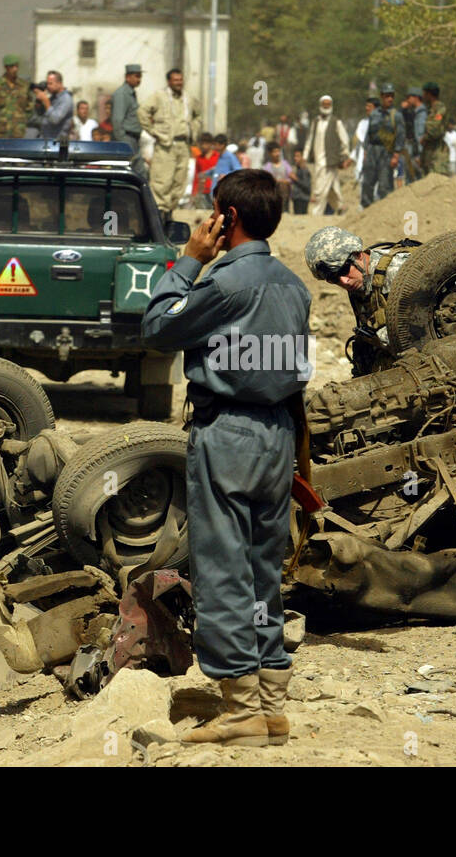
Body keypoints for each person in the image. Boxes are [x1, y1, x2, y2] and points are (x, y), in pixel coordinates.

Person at [141, 169, 310, 747]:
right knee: (265, 572)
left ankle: (239, 710)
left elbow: (158, 327)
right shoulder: (295, 286)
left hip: (229, 435)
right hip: (279, 437)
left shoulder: (226, 284)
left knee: (222, 571)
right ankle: (271, 706)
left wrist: (187, 260)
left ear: (226, 219)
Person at [304, 225, 417, 376]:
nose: (343, 281)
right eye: (333, 278)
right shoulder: (359, 285)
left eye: (344, 270)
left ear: (357, 254)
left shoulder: (398, 271)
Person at [138, 68, 200, 222]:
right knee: (161, 181)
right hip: (165, 146)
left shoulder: (188, 98)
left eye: (180, 80)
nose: (179, 83)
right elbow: (142, 112)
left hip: (183, 145)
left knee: (179, 182)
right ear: (169, 81)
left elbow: (198, 115)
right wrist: (154, 132)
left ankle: (169, 213)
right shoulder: (159, 96)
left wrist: (194, 130)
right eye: (175, 80)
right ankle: (159, 216)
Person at [302, 94, 350, 215]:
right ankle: (340, 207)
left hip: (330, 160)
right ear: (320, 106)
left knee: (320, 187)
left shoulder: (336, 122)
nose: (326, 106)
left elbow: (345, 140)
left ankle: (316, 212)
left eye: (328, 104)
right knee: (332, 187)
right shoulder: (316, 121)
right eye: (324, 104)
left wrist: (344, 157)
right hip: (318, 160)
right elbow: (309, 140)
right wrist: (304, 156)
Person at [361, 84, 404, 208]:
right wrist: (365, 151)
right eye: (387, 96)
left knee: (385, 184)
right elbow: (369, 134)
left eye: (391, 96)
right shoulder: (374, 114)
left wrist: (396, 155)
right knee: (367, 182)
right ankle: (366, 209)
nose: (389, 99)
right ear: (381, 97)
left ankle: (386, 210)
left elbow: (400, 136)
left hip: (387, 152)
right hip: (372, 150)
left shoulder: (396, 116)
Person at [0, 54, 32, 141]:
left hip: (18, 131)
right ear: (6, 68)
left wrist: (21, 118)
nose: (15, 69)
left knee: (17, 153)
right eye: (12, 67)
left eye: (16, 66)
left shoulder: (24, 85)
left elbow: (29, 107)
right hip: (0, 131)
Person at [110, 63, 144, 177]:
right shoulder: (122, 94)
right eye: (136, 76)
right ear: (127, 77)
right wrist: (122, 144)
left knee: (138, 172)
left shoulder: (131, 93)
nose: (139, 79)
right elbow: (117, 120)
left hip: (134, 139)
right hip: (126, 139)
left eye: (140, 76)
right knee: (125, 173)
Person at [419, 82, 449, 176]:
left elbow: (434, 129)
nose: (423, 96)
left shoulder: (439, 109)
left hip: (437, 151)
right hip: (428, 152)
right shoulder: (429, 109)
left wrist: (425, 137)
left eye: (424, 93)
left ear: (429, 94)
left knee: (437, 180)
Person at [35, 69, 73, 141]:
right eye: (47, 84)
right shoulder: (53, 98)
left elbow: (55, 119)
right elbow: (40, 115)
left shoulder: (66, 99)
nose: (48, 86)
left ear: (59, 83)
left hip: (57, 143)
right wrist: (39, 101)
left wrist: (46, 101)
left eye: (50, 83)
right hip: (46, 141)